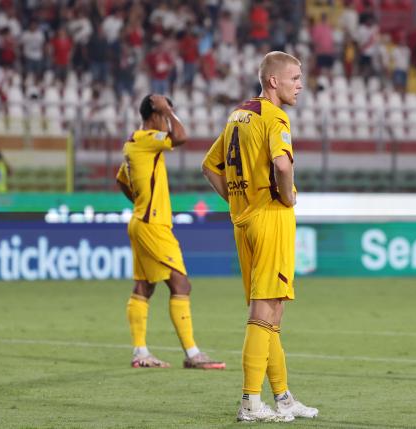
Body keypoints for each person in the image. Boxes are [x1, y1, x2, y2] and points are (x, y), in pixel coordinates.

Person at [201, 51, 318, 423]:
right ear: (273, 81)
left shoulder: (239, 115)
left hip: (245, 220)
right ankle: (251, 401)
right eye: (295, 78)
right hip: (270, 219)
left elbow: (209, 165)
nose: (300, 85)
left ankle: (282, 398)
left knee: (272, 314)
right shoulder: (274, 117)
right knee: (264, 312)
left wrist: (238, 202)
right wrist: (287, 195)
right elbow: (282, 165)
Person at [116, 94, 225, 370]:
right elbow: (181, 136)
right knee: (180, 283)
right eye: (164, 112)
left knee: (144, 286)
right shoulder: (146, 139)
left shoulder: (134, 142)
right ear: (155, 112)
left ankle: (140, 352)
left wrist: (141, 202)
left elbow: (121, 179)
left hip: (141, 220)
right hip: (153, 225)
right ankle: (193, 353)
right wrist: (170, 113)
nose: (167, 118)